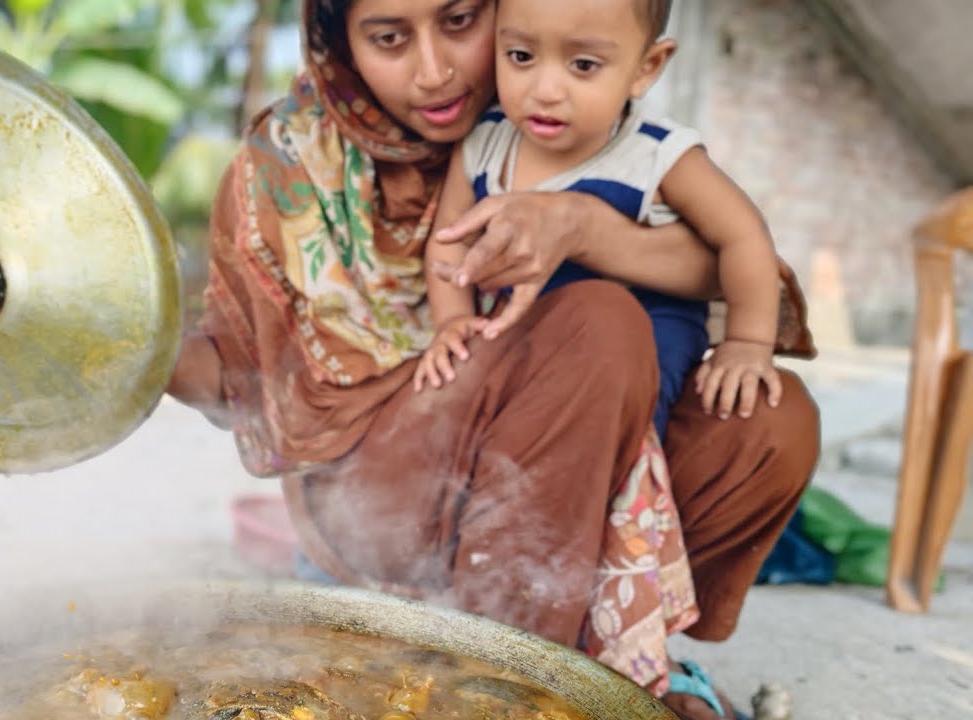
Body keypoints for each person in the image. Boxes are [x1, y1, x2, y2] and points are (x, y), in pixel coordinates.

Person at [165, 1, 821, 717]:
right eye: (389, 39)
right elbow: (232, 365)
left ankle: (612, 656)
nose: (435, 71)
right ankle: (500, 687)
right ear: (341, 43)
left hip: (581, 434)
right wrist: (118, 351)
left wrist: (582, 227)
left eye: (459, 21)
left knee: (770, 414)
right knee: (597, 325)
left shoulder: (583, 126)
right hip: (385, 492)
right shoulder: (287, 164)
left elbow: (736, 262)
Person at [415, 0, 783, 444]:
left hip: (646, 328)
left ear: (646, 67)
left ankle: (629, 487)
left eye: (583, 65)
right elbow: (449, 238)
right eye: (521, 57)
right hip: (529, 327)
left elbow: (744, 236)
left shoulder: (658, 155)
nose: (545, 89)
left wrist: (747, 342)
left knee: (618, 406)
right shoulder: (486, 143)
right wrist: (451, 319)